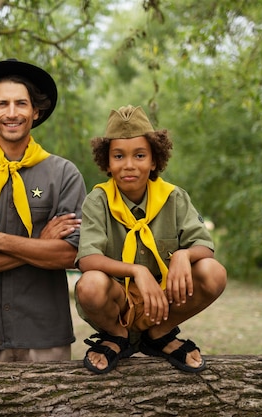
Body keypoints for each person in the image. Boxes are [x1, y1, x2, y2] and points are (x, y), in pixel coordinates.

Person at [0, 59, 86, 362]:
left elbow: (68, 255)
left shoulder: (64, 174)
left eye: (21, 103)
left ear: (36, 112)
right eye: (2, 104)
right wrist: (41, 247)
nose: (12, 113)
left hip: (45, 330)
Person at [75, 105, 227, 374]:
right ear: (107, 163)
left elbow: (204, 247)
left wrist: (183, 255)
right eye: (119, 156)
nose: (129, 165)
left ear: (154, 160)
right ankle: (117, 337)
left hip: (164, 300)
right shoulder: (98, 200)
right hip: (118, 300)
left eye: (140, 155)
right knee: (89, 285)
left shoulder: (174, 197)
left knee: (212, 272)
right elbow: (87, 259)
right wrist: (137, 271)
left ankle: (159, 334)